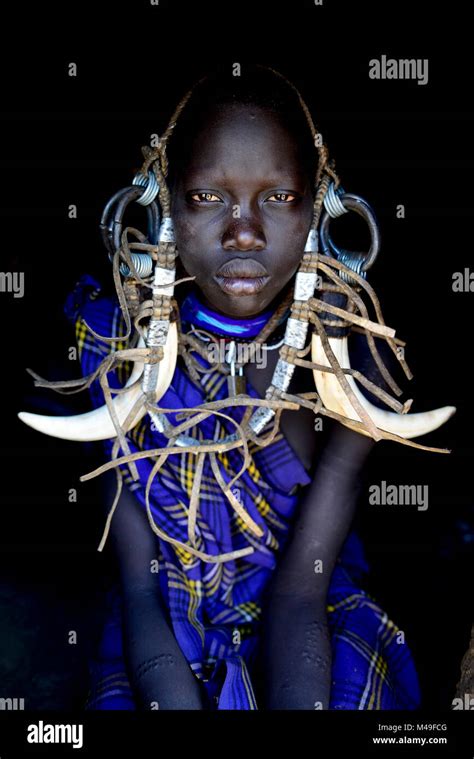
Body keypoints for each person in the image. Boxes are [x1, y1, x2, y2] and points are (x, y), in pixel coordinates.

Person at [31, 65, 445, 710]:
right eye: (206, 197)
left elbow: (303, 592)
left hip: (311, 618)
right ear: (163, 203)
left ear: (320, 208)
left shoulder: (344, 353)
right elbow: (141, 591)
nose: (244, 232)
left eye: (278, 198)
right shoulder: (115, 340)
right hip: (160, 628)